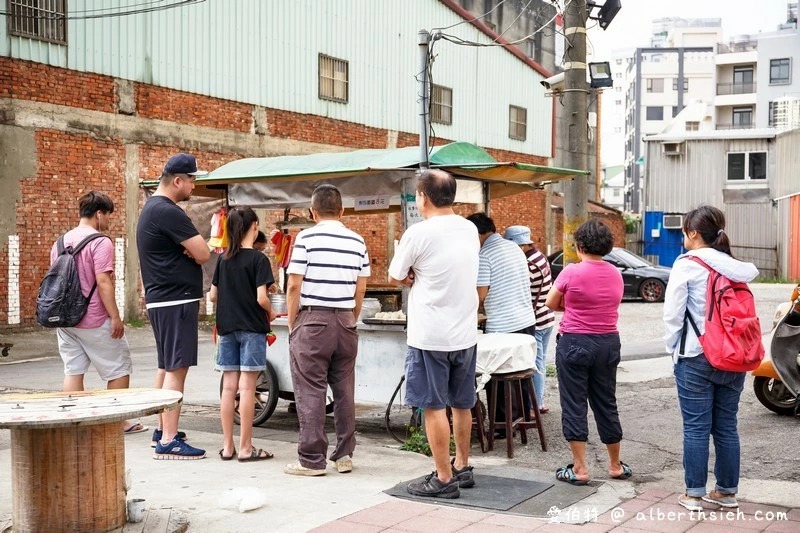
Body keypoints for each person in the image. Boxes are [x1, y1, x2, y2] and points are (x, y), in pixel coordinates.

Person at [389, 170, 480, 499]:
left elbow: (397, 273)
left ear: (422, 197)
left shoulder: (418, 233)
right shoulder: (469, 228)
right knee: (462, 403)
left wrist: (414, 273)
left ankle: (443, 478)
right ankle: (462, 466)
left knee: (433, 406)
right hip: (465, 332)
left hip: (431, 335)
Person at [663, 205, 758, 511]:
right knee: (727, 426)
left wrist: (672, 350)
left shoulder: (687, 264)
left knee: (695, 427)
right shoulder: (734, 266)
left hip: (696, 355)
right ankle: (727, 492)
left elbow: (673, 315)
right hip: (734, 354)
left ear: (692, 233)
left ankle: (693, 494)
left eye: (684, 231)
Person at [284, 184, 369, 476]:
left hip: (313, 321)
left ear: (312, 211)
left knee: (311, 390)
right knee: (344, 390)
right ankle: (344, 456)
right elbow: (361, 288)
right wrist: (351, 316)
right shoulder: (358, 241)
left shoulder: (305, 238)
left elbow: (294, 284)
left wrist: (294, 323)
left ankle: (311, 460)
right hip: (346, 321)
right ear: (342, 210)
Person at [137, 153, 211, 459]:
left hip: (163, 298)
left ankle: (161, 428)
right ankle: (168, 439)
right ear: (177, 180)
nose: (194, 185)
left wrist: (186, 253)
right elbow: (204, 253)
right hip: (175, 299)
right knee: (177, 368)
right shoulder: (168, 211)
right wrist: (190, 253)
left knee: (166, 365)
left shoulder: (150, 209)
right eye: (192, 179)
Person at [545, 219, 630, 485]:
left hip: (575, 342)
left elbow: (550, 302)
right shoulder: (616, 273)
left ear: (579, 245)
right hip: (608, 342)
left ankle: (580, 468)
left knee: (574, 403)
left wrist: (570, 309)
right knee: (606, 401)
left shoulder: (571, 272)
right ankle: (615, 465)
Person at [52, 191, 141, 434]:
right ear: (98, 214)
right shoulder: (100, 242)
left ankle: (72, 421)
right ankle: (114, 423)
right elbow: (103, 282)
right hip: (94, 319)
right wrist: (115, 317)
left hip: (66, 320)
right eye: (108, 215)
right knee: (119, 369)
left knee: (73, 370)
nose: (108, 221)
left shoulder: (60, 242)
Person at [210, 207, 277, 462]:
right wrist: (270, 311)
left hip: (226, 329)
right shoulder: (259, 260)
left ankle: (228, 447)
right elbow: (262, 298)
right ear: (254, 226)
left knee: (229, 388)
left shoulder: (223, 259)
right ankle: (246, 448)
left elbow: (213, 295)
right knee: (247, 388)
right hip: (251, 329)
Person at [466, 213, 537, 430]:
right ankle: (523, 418)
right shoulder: (513, 247)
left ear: (478, 234)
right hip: (526, 320)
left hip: (504, 325)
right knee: (522, 375)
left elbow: (480, 295)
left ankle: (501, 426)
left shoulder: (484, 255)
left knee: (498, 378)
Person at [503, 225, 556, 414]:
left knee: (535, 363)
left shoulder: (529, 264)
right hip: (546, 316)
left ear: (521, 245)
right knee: (538, 361)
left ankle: (536, 403)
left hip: (537, 319)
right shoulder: (539, 256)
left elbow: (520, 289)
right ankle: (537, 401)